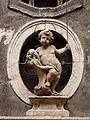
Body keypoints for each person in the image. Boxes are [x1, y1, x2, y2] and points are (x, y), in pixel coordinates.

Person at [35, 29, 70, 95]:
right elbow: (35, 58)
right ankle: (47, 83)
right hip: (48, 67)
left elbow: (59, 52)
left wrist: (65, 49)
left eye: (48, 39)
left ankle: (53, 89)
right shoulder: (38, 50)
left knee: (57, 78)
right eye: (43, 38)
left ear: (50, 41)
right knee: (52, 72)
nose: (45, 40)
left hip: (58, 66)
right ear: (39, 39)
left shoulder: (52, 47)